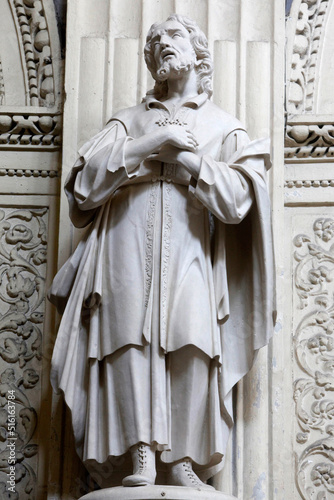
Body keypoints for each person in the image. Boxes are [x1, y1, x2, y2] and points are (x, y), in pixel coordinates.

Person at [49, 13, 276, 491]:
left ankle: (184, 459)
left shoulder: (223, 128)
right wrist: (150, 142)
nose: (159, 44)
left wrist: (186, 159)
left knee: (192, 342)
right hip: (124, 251)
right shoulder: (127, 123)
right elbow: (83, 191)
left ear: (198, 53)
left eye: (171, 35)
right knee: (128, 340)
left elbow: (237, 202)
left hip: (193, 254)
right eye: (152, 41)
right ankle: (140, 455)